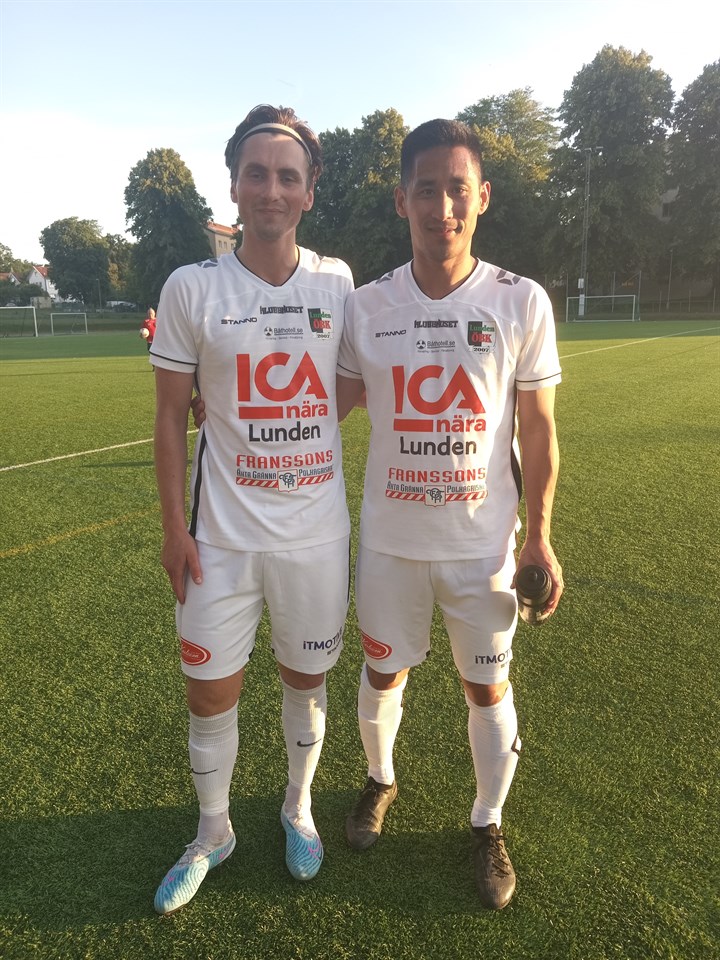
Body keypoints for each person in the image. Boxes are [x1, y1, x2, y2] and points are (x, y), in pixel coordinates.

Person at [335, 118, 563, 910]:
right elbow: (326, 399)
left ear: (482, 196)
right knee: (382, 669)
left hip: (483, 548)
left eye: (457, 189)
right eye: (426, 190)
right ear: (402, 200)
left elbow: (539, 430)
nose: (442, 207)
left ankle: (487, 822)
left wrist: (540, 538)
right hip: (392, 544)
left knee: (487, 690)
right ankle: (380, 778)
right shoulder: (367, 306)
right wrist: (218, 399)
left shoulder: (519, 300)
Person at [150, 104, 353, 915]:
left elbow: (357, 380)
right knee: (209, 694)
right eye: (257, 174)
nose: (272, 189)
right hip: (218, 540)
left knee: (306, 679)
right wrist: (173, 528)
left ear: (309, 191)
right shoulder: (192, 287)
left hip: (315, 534)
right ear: (234, 185)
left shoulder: (338, 284)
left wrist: (302, 421)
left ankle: (297, 807)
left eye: (287, 177)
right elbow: (169, 415)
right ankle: (214, 832)